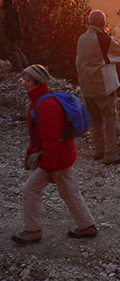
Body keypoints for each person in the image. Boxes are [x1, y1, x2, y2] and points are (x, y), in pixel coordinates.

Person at [11, 64, 97, 244]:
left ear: (37, 81)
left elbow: (51, 139)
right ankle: (86, 226)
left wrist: (48, 167)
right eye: (23, 79)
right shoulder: (43, 100)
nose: (24, 83)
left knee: (30, 190)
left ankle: (32, 231)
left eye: (27, 80)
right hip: (64, 154)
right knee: (69, 192)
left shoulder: (45, 105)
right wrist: (31, 152)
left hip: (56, 158)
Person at [75, 10, 120, 165]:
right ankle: (111, 154)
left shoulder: (82, 38)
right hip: (103, 86)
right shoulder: (103, 39)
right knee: (109, 119)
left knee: (95, 120)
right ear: (103, 23)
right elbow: (118, 53)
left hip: (86, 85)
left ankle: (98, 150)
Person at [1, 0, 28, 71]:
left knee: (12, 51)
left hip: (11, 35)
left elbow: (9, 25)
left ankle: (18, 68)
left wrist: (8, 35)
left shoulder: (8, 11)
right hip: (15, 34)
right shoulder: (12, 9)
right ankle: (26, 65)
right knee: (16, 49)